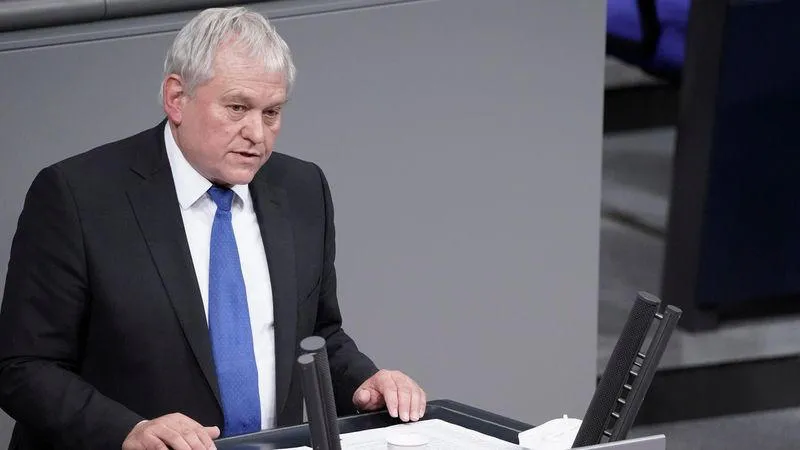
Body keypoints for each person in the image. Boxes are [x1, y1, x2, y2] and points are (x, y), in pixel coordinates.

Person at [0, 7, 426, 450]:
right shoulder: (77, 196)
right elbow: (23, 366)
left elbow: (319, 334)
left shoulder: (303, 189)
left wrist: (364, 381)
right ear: (176, 98)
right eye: (237, 107)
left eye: (271, 112)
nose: (257, 133)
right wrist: (127, 430)